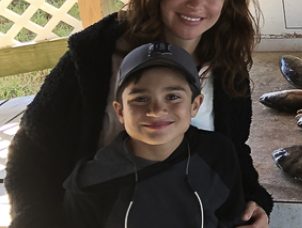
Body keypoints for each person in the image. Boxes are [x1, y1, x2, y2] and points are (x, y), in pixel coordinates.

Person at [7, 0, 272, 227]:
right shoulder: (94, 56)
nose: (196, 3)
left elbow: (233, 148)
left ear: (227, 1)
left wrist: (254, 200)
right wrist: (32, 218)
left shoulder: (226, 63)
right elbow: (33, 146)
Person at [63, 42, 246, 227]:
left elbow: (231, 218)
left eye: (173, 97)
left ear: (195, 105)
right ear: (120, 112)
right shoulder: (91, 183)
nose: (156, 111)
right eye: (140, 99)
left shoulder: (218, 155)